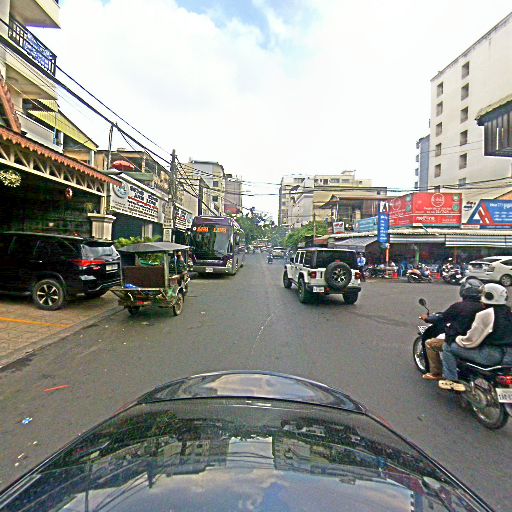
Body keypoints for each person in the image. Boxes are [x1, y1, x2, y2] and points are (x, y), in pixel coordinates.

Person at [439, 283, 512, 391]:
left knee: (448, 347)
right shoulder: (509, 312)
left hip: (492, 355)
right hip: (509, 356)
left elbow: (470, 341)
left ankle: (451, 380)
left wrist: (457, 339)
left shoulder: (486, 314)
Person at [421, 278, 484, 381]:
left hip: (460, 341)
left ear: (463, 291)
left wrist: (427, 318)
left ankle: (436, 373)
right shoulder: (484, 307)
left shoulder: (459, 306)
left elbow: (442, 317)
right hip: (480, 342)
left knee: (430, 343)